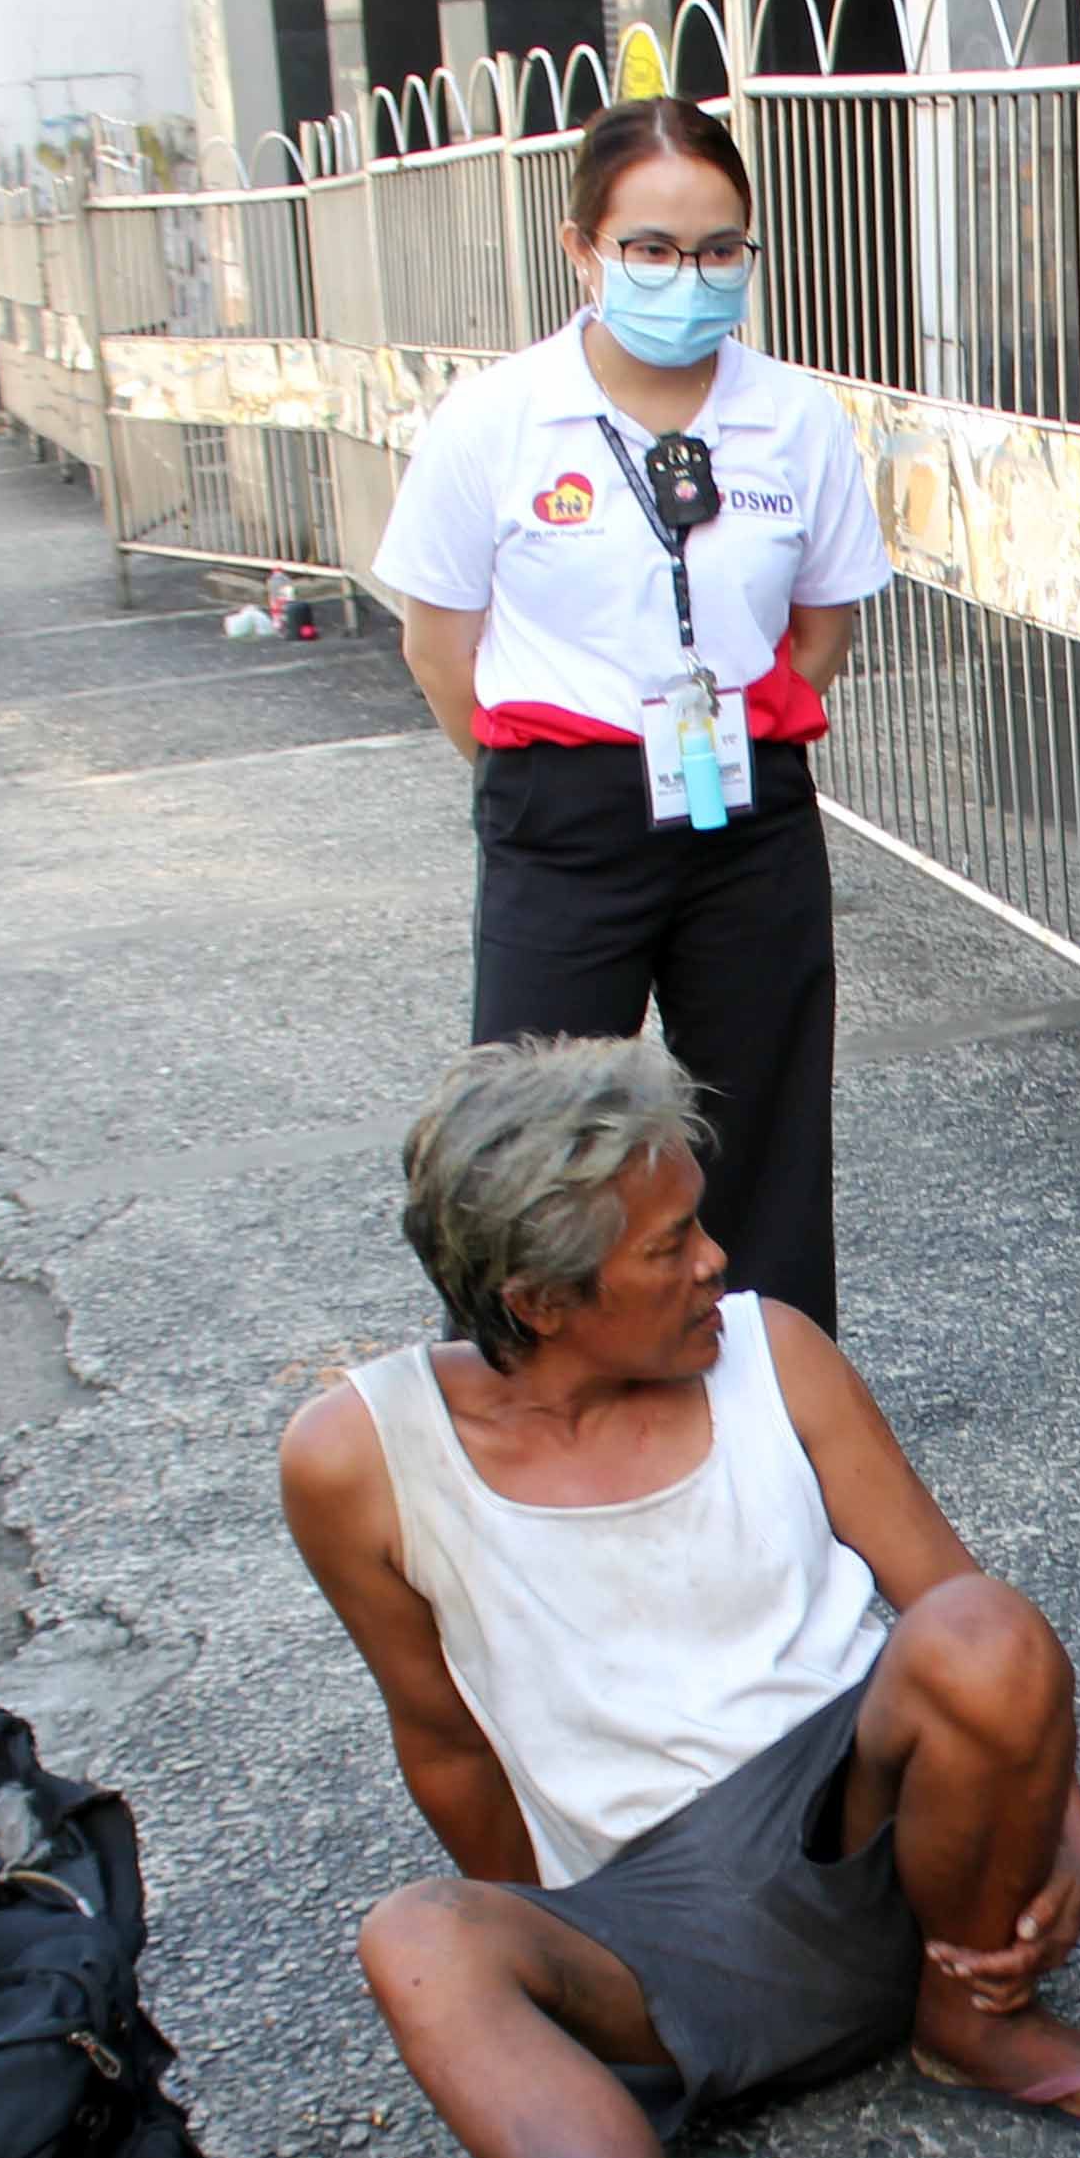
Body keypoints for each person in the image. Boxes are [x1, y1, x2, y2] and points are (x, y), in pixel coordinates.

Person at [279, 1038, 1080, 2158]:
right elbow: (444, 1738)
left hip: (877, 1851)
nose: (720, 1259)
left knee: (979, 1633)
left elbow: (961, 1609)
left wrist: (1059, 1815)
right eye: (671, 1247)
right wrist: (556, 2004)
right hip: (653, 1925)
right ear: (541, 1301)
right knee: (418, 1936)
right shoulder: (358, 1457)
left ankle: (976, 2018)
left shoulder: (774, 1356)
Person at [374, 97, 890, 1333]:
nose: (688, 276)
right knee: (532, 1136)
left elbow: (824, 621)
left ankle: (769, 1401)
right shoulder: (497, 421)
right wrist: (555, 781)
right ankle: (522, 1400)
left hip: (746, 807)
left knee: (761, 1123)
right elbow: (440, 644)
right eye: (651, 249)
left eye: (720, 249)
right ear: (582, 249)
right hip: (566, 807)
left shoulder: (795, 419)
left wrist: (735, 739)